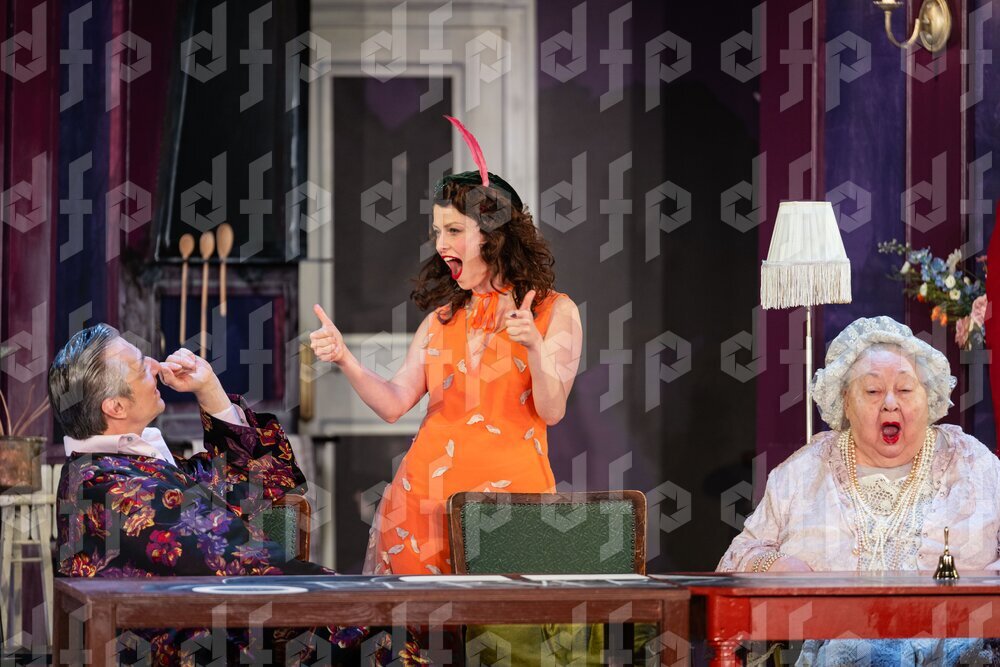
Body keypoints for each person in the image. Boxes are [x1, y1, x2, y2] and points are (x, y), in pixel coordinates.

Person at [50, 324, 421, 665]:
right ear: (115, 407)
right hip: (185, 648)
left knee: (375, 630)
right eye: (139, 365)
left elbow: (264, 484)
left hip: (217, 629)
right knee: (375, 636)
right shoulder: (109, 485)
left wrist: (209, 389)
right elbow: (232, 558)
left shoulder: (121, 463)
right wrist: (349, 595)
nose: (155, 364)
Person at [310, 116, 583, 576]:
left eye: (454, 231)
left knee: (505, 623)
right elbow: (394, 404)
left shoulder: (555, 311)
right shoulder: (441, 320)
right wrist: (345, 359)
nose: (441, 244)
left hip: (511, 510)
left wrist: (535, 349)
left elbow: (551, 411)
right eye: (437, 232)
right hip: (422, 507)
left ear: (495, 236)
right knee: (417, 625)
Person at [718, 315, 1000, 664]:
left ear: (929, 397)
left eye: (905, 389)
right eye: (872, 391)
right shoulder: (804, 471)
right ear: (846, 402)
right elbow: (735, 560)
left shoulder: (972, 462)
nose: (890, 403)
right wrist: (778, 565)